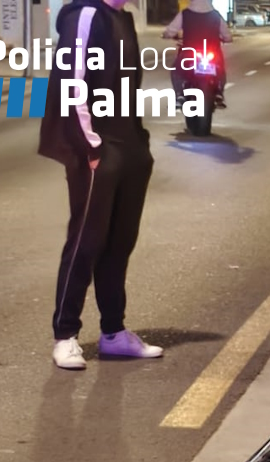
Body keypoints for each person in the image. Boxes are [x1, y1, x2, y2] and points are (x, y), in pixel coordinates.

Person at [38, 0, 163, 370]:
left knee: (119, 243)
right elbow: (73, 81)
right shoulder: (85, 15)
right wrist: (90, 145)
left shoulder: (123, 17)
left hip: (129, 146)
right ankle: (65, 335)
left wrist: (140, 143)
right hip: (97, 148)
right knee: (86, 241)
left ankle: (113, 333)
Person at [163, 0, 233, 108]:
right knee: (220, 69)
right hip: (212, 51)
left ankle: (179, 95)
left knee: (176, 70)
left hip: (189, 52)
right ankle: (219, 91)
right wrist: (227, 38)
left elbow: (171, 30)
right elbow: (226, 35)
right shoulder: (215, 15)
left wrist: (167, 34)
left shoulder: (185, 13)